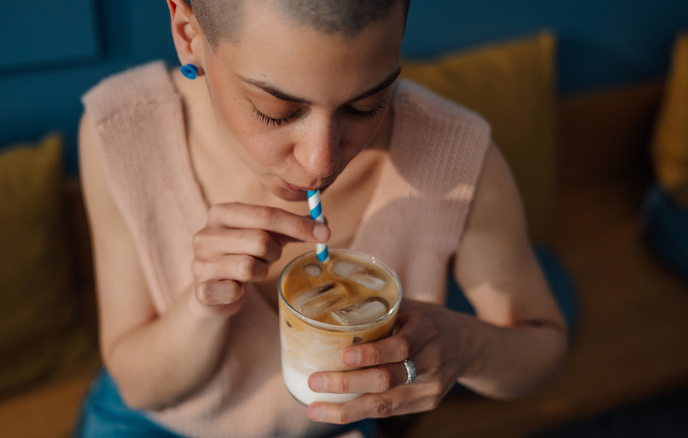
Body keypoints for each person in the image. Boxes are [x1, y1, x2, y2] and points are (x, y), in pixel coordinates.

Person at [74, 0, 569, 437]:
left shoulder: (458, 158)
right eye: (275, 110)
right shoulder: (122, 133)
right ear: (188, 33)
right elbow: (139, 389)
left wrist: (470, 348)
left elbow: (544, 349)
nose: (321, 162)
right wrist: (203, 304)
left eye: (365, 105)